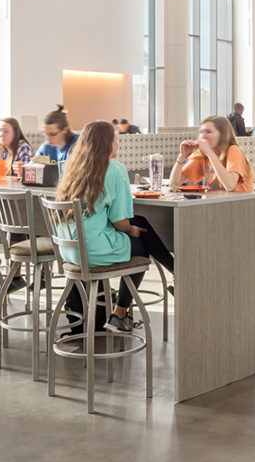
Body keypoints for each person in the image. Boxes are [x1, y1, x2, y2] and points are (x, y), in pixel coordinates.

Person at [53, 120, 171, 335]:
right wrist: (132, 231)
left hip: (68, 251)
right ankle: (119, 313)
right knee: (142, 244)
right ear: (107, 143)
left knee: (140, 223)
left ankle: (176, 273)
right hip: (91, 251)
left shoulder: (72, 167)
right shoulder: (115, 169)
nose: (118, 142)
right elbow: (120, 222)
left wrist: (133, 227)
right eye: (115, 138)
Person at [171, 116, 255, 192]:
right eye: (201, 132)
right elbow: (175, 183)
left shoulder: (234, 151)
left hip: (241, 205)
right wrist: (182, 156)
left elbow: (230, 186)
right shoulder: (202, 157)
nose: (203, 136)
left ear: (222, 135)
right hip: (216, 205)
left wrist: (209, 153)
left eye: (208, 132)